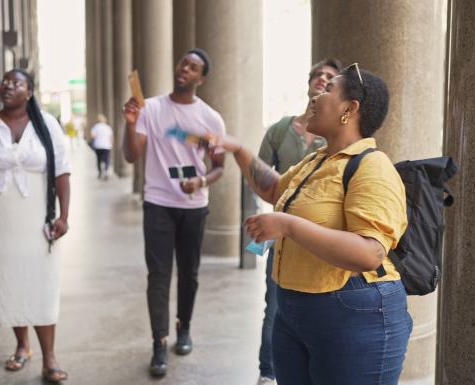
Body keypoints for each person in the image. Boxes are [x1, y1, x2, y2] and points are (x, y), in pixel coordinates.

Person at [216, 64, 411, 385]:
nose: (315, 97)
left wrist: (289, 226)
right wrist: (238, 149)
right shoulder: (316, 160)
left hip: (354, 314)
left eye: (328, 90)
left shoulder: (373, 167)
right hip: (294, 310)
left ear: (350, 109)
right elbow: (275, 189)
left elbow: (369, 253)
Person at [0, 69, 71, 383]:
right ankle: (22, 346)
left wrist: (64, 216)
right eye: (4, 82)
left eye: (16, 82)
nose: (8, 86)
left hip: (36, 216)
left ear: (29, 91)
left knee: (41, 281)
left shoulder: (46, 124)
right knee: (9, 279)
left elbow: (62, 171)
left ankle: (50, 356)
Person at [121, 48, 226, 377]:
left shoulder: (211, 117)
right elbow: (131, 156)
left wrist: (201, 181)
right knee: (158, 275)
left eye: (193, 67)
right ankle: (158, 342)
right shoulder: (150, 108)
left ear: (201, 78)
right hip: (158, 203)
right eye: (183, 63)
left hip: (194, 206)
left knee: (190, 273)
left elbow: (219, 167)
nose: (185, 69)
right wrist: (130, 124)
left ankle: (184, 328)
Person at [255, 58, 341, 385]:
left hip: (319, 240)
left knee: (316, 310)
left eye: (330, 78)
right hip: (279, 235)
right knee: (274, 305)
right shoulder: (279, 129)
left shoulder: (333, 138)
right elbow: (262, 180)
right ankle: (267, 373)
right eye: (317, 75)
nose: (322, 79)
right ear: (308, 85)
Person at [90, 114, 114, 179]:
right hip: (106, 146)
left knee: (99, 159)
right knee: (106, 159)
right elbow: (111, 137)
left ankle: (100, 173)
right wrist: (111, 145)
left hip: (98, 146)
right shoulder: (108, 127)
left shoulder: (96, 127)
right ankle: (106, 172)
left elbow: (92, 136)